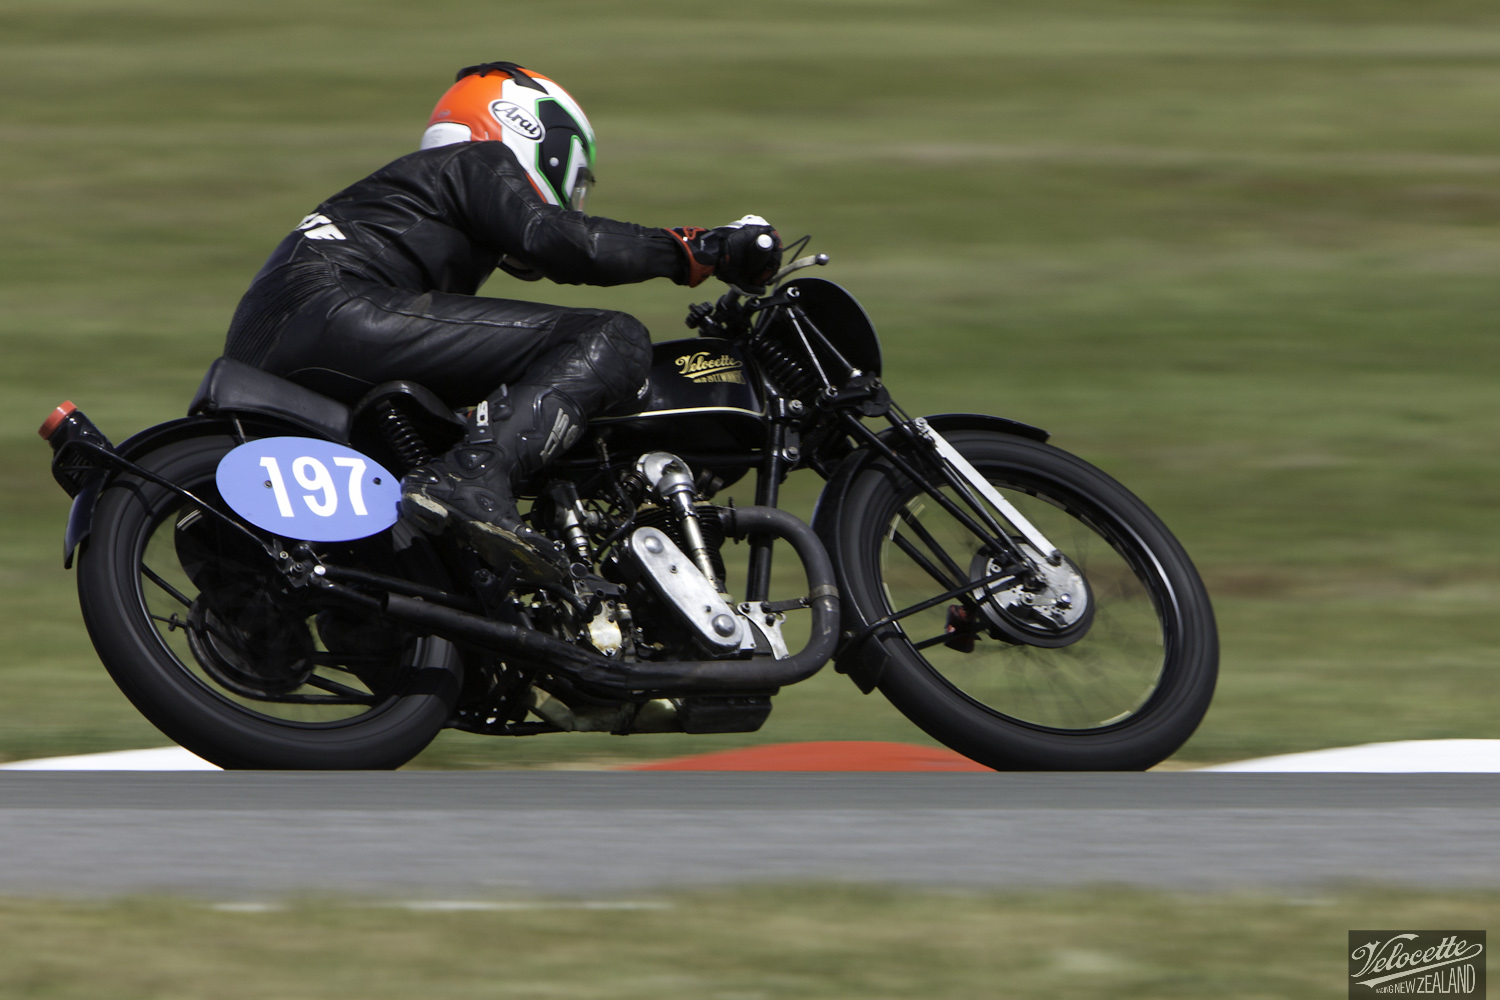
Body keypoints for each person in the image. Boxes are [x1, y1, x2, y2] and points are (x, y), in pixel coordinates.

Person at [222, 61, 782, 584]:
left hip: (264, 344)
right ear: (530, 133)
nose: (573, 198)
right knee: (611, 335)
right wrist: (698, 249)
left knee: (421, 521)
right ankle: (475, 476)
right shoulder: (477, 162)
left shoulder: (410, 199)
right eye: (575, 179)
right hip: (336, 306)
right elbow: (563, 242)